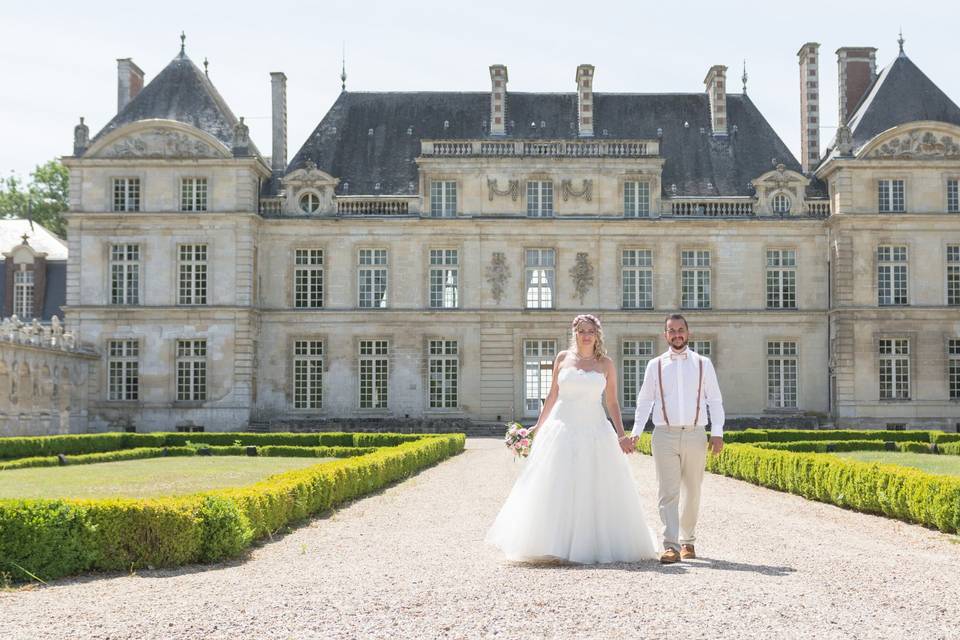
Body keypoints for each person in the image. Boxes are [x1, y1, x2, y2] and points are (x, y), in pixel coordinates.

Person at [486, 314, 658, 564]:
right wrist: (537, 427)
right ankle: (553, 544)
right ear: (574, 333)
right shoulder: (562, 358)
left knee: (594, 486)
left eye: (590, 331)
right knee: (555, 484)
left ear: (597, 334)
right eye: (581, 331)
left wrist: (621, 434)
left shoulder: (606, 364)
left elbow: (612, 402)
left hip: (595, 428)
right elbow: (552, 396)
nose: (586, 335)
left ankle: (593, 545)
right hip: (561, 427)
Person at [628, 313, 724, 564]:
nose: (677, 334)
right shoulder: (655, 365)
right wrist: (636, 431)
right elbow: (645, 400)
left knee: (693, 490)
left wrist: (717, 432)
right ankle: (670, 545)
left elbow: (714, 399)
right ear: (665, 335)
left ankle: (688, 541)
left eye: (681, 330)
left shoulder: (703, 363)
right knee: (667, 492)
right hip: (664, 435)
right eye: (672, 330)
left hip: (695, 433)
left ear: (688, 333)